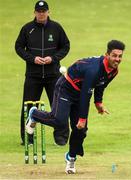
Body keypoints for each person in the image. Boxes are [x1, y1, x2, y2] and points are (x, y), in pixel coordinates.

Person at [26, 40, 125, 173]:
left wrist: (98, 103)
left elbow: (101, 84)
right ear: (107, 54)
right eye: (114, 55)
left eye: (120, 56)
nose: (117, 59)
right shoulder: (94, 70)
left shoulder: (113, 70)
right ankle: (34, 114)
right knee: (60, 122)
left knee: (81, 131)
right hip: (66, 87)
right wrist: (82, 119)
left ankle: (71, 158)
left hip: (81, 92)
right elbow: (86, 95)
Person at [15, 0, 70, 145]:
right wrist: (33, 59)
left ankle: (61, 138)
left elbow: (65, 46)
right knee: (28, 106)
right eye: (39, 11)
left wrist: (53, 58)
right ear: (35, 12)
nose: (41, 14)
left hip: (53, 76)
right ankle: (27, 138)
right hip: (33, 76)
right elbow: (19, 47)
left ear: (48, 12)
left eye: (44, 11)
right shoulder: (27, 29)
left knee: (59, 107)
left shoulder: (56, 28)